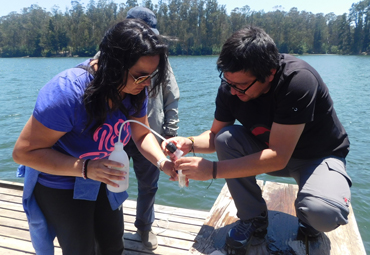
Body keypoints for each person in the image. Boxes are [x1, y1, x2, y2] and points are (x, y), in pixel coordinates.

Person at [164, 26, 352, 254]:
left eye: (241, 85)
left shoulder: (298, 81)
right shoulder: (231, 87)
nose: (232, 91)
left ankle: (307, 216)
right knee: (226, 138)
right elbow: (214, 137)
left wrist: (212, 170)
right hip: (269, 152)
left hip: (317, 157)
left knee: (324, 213)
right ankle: (253, 218)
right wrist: (191, 142)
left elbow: (279, 157)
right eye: (228, 82)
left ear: (270, 73)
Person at [12, 19, 177, 255]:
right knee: (80, 248)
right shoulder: (66, 93)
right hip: (60, 181)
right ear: (113, 65)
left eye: (152, 75)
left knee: (112, 244)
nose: (148, 83)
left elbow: (140, 134)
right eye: (141, 76)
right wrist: (86, 168)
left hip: (102, 174)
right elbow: (23, 153)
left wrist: (163, 162)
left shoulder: (136, 89)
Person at [123, 6, 180, 250]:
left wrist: (170, 131)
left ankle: (144, 229)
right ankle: (108, 227)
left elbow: (172, 94)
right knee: (107, 182)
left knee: (149, 185)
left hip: (150, 133)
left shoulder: (159, 58)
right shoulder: (107, 56)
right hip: (115, 137)